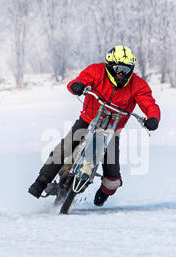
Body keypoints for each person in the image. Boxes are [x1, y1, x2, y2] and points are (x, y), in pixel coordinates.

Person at [28, 46, 161, 207]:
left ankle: (103, 194)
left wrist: (153, 118)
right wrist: (77, 86)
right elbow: (78, 81)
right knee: (65, 148)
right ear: (109, 66)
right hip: (88, 120)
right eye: (118, 69)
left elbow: (149, 103)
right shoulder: (96, 71)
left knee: (112, 176)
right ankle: (41, 182)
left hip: (113, 129)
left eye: (126, 70)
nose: (121, 73)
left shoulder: (138, 84)